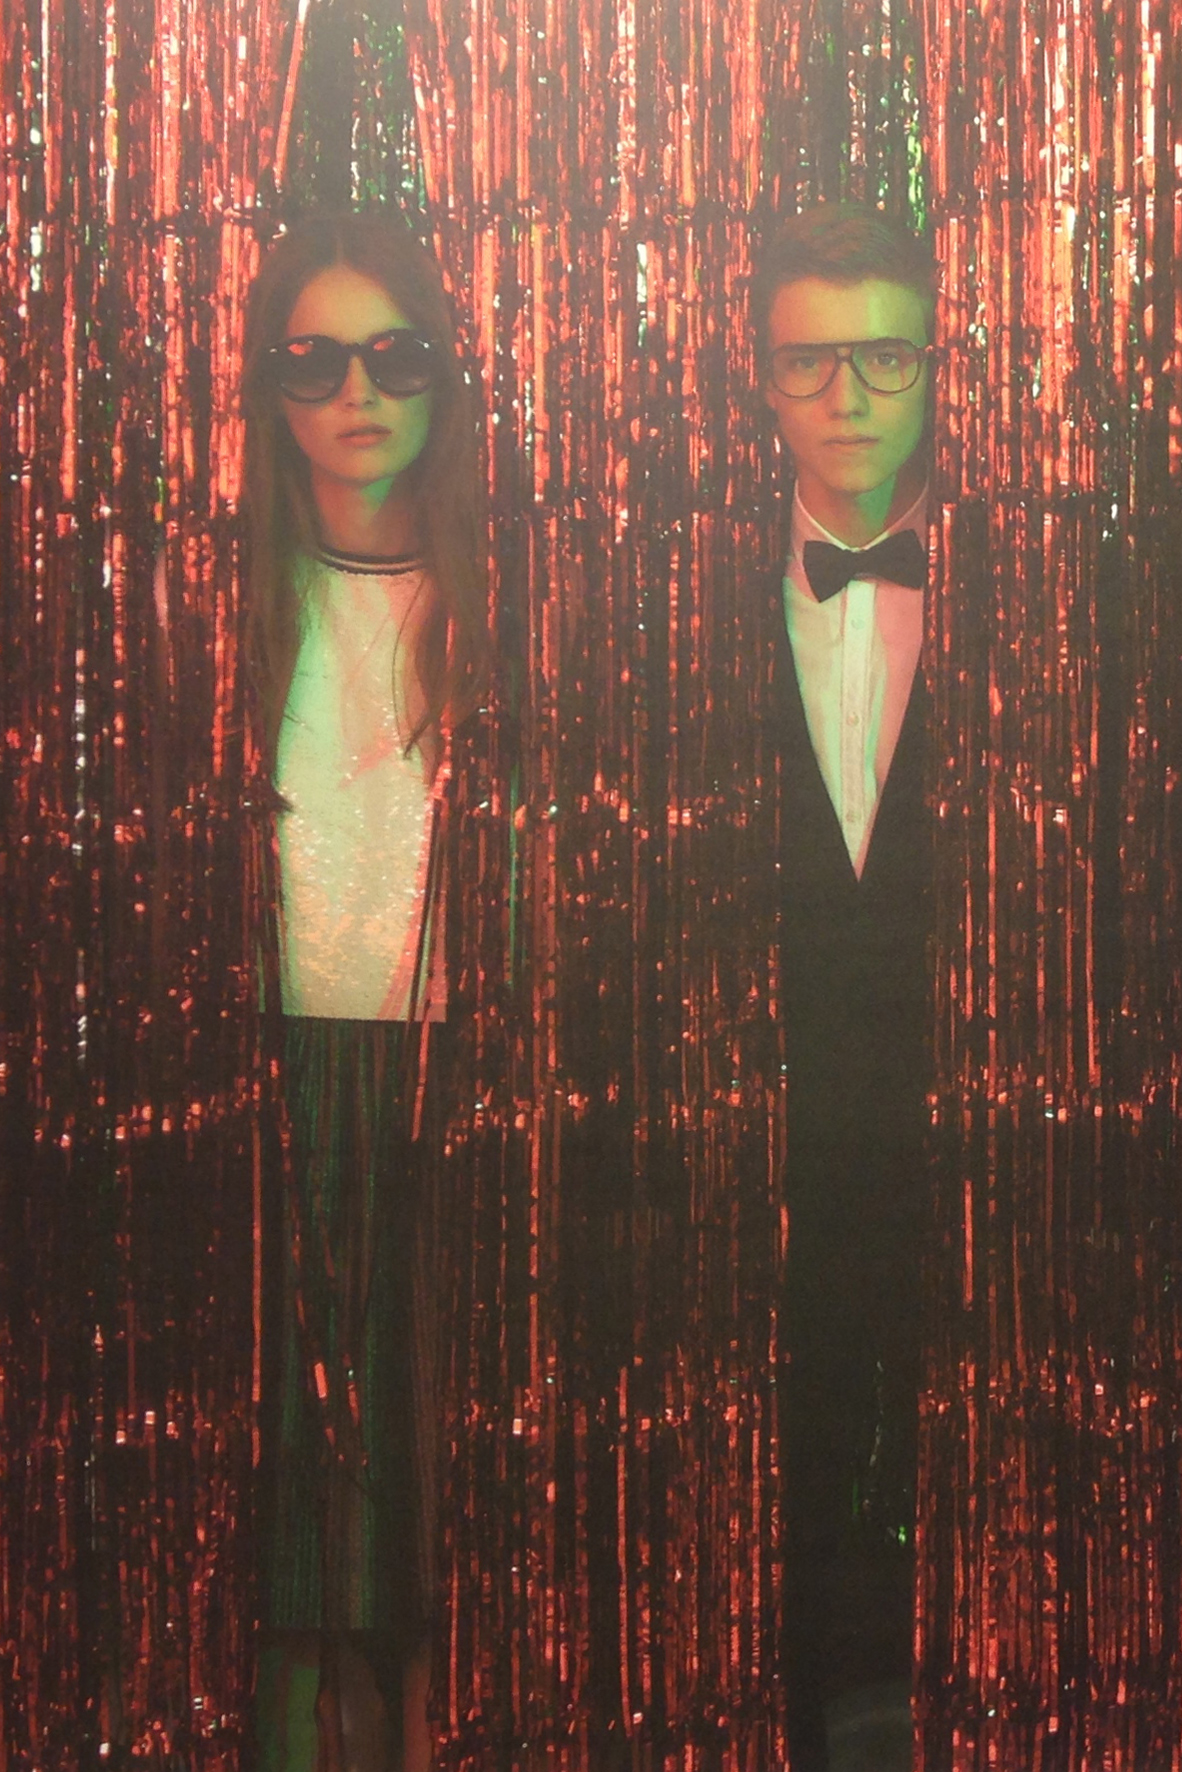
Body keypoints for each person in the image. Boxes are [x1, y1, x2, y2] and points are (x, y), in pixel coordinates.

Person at [244, 211, 495, 1772]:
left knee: (430, 1522)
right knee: (283, 1531)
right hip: (266, 1086)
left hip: (460, 1085)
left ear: (443, 380)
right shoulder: (219, 608)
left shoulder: (506, 611)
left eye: (395, 357)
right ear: (268, 388)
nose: (356, 394)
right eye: (314, 360)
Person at [749, 202, 940, 1772]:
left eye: (883, 354)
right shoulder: (677, 600)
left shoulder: (1036, 587)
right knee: (785, 1494)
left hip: (974, 1124)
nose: (850, 394)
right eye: (811, 360)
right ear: (763, 380)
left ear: (934, 367)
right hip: (771, 1133)